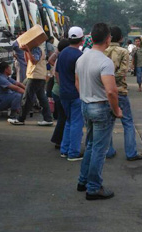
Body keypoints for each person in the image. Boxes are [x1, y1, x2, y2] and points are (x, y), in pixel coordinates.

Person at [76, 23, 122, 201]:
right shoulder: (105, 62)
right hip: (101, 107)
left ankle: (83, 180)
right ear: (108, 39)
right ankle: (94, 187)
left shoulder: (82, 58)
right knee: (99, 150)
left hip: (86, 105)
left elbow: (77, 83)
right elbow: (111, 91)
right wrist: (117, 110)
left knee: (90, 145)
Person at [105, 26, 142, 161]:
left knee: (108, 124)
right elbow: (123, 72)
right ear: (121, 38)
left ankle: (108, 150)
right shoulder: (123, 51)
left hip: (105, 91)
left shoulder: (102, 51)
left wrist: (105, 80)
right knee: (127, 122)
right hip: (120, 91)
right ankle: (131, 152)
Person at [56, 26, 85, 161]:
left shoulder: (62, 53)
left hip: (64, 93)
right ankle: (73, 152)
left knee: (69, 121)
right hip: (76, 94)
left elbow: (57, 74)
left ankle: (65, 149)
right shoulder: (80, 56)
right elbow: (81, 77)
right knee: (77, 123)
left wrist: (63, 87)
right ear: (82, 39)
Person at [8, 43, 54, 126]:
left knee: (27, 98)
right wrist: (26, 51)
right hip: (38, 75)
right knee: (42, 97)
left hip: (35, 76)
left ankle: (20, 119)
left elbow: (34, 61)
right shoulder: (37, 48)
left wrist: (28, 50)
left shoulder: (37, 49)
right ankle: (48, 118)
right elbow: (27, 60)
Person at [50, 39, 71, 148]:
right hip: (60, 91)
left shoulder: (59, 58)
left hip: (56, 91)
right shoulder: (63, 59)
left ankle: (60, 140)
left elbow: (50, 60)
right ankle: (59, 140)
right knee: (64, 118)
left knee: (62, 117)